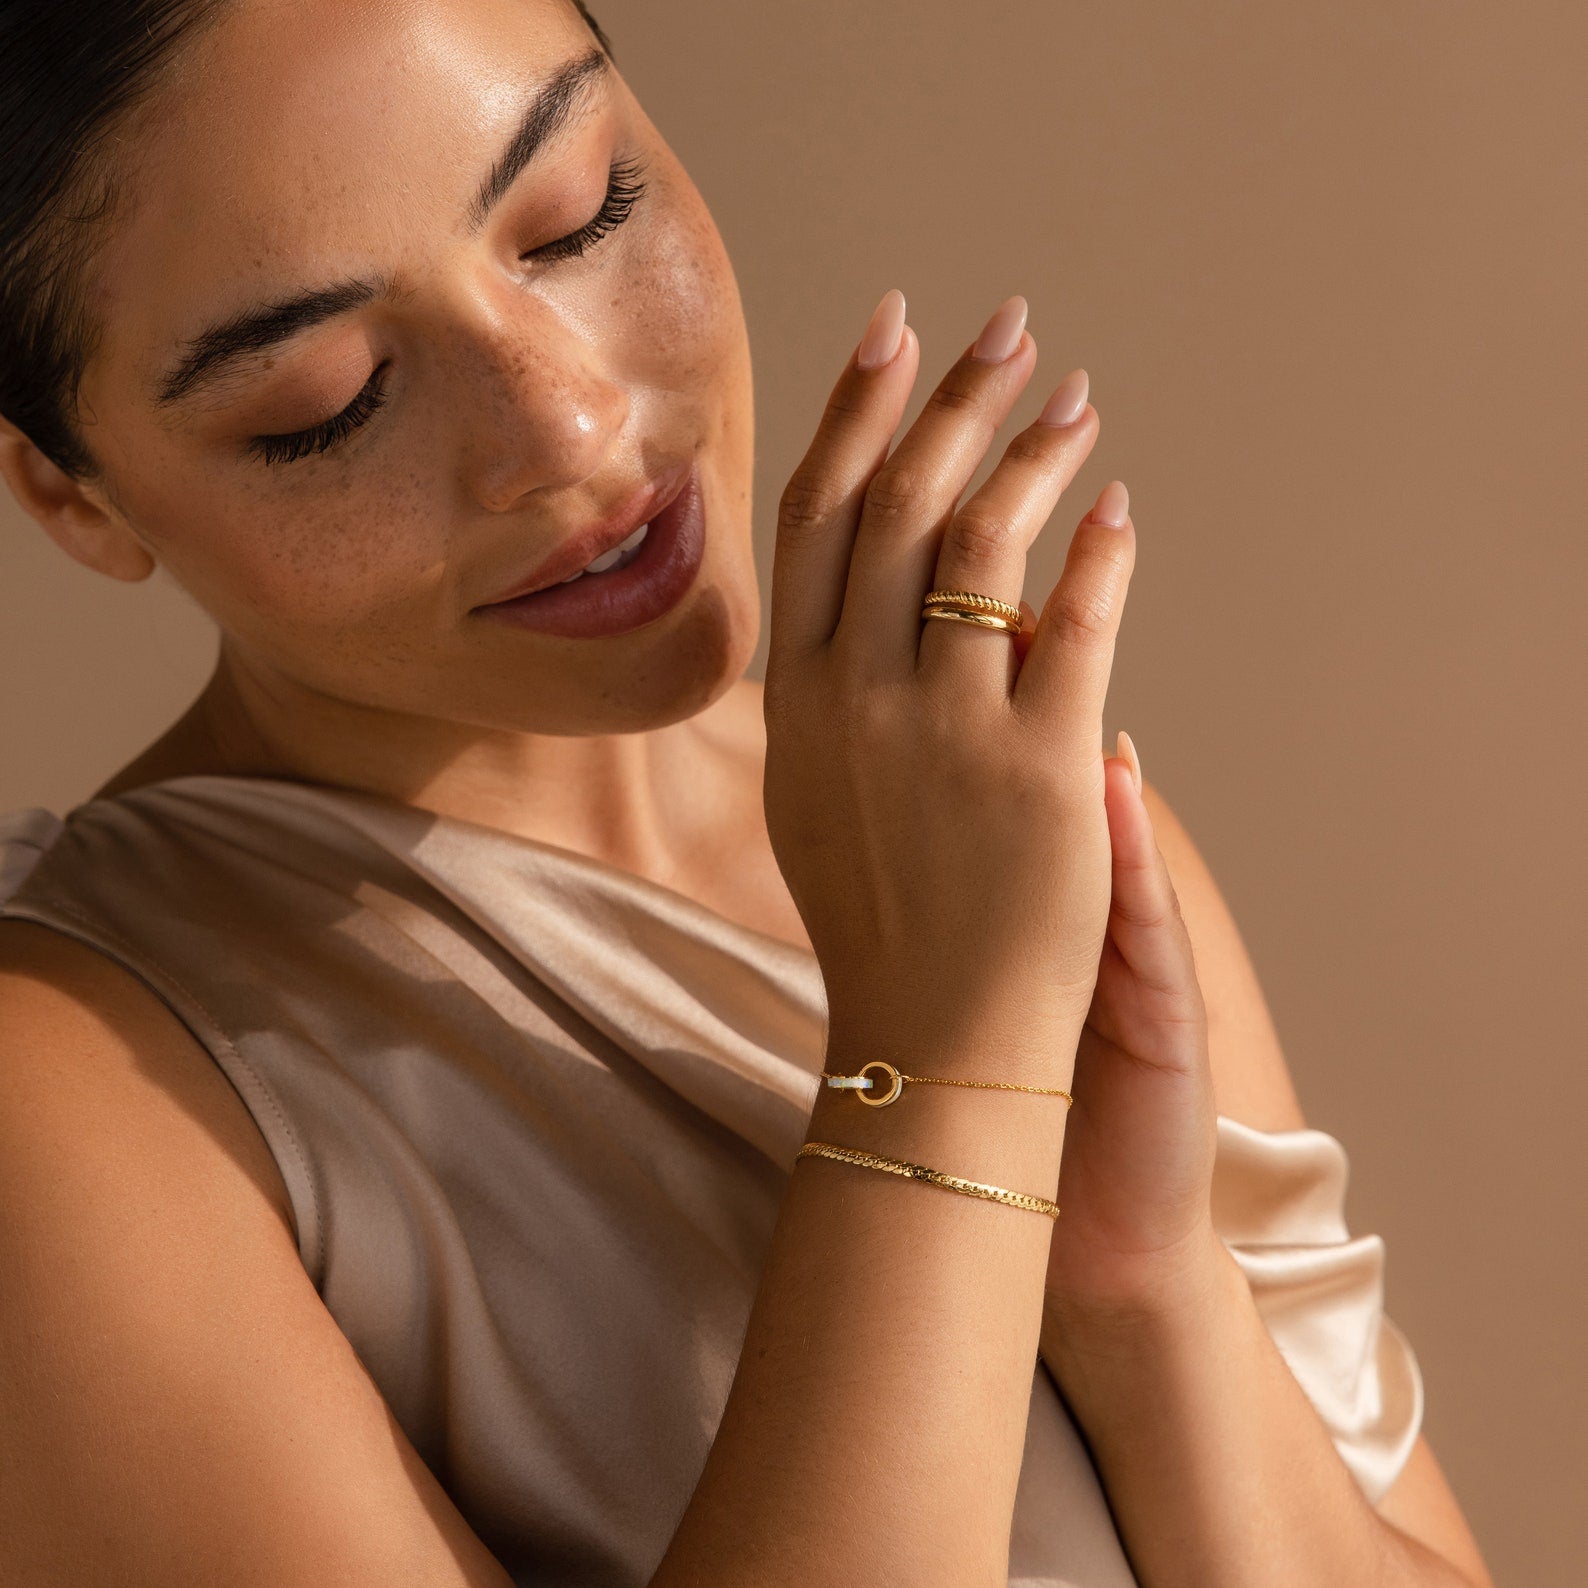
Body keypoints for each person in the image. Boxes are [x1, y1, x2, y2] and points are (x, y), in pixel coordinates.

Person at [0, 2, 1491, 1583]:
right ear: (73, 497)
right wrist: (942, 1073)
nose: (565, 427)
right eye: (331, 396)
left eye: (580, 215)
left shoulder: (990, 817)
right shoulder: (73, 1109)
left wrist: (1144, 1286)